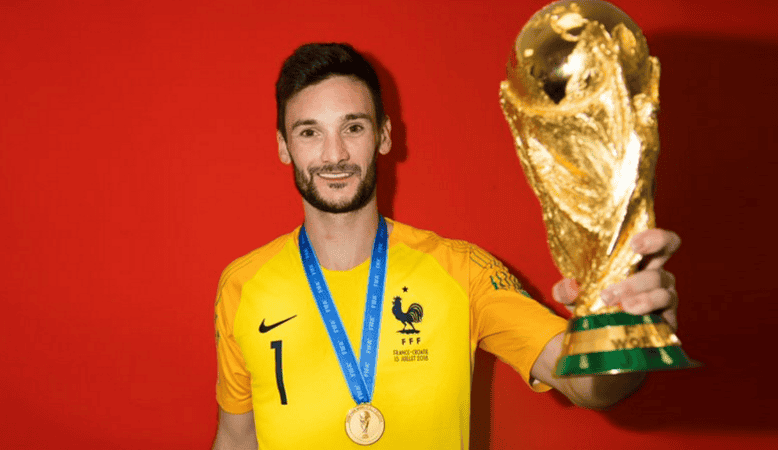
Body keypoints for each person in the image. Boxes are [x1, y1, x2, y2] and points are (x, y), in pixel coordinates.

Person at [212, 43, 680, 450]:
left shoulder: (463, 271)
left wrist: (631, 331)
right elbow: (237, 439)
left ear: (384, 135)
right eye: (310, 132)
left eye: (353, 127)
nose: (333, 154)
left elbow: (589, 386)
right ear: (283, 146)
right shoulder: (243, 286)